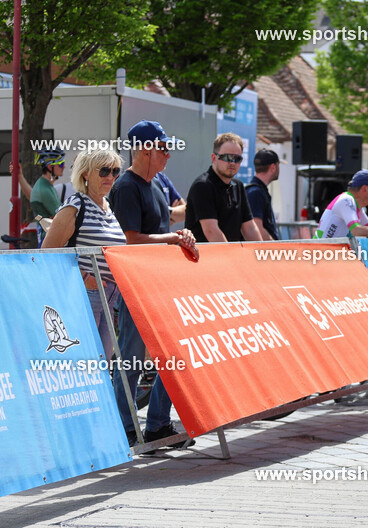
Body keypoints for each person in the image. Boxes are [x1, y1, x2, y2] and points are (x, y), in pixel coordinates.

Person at [109, 119, 198, 448]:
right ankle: (124, 428)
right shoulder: (126, 187)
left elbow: (168, 222)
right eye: (163, 148)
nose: (168, 155)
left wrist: (181, 234)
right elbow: (131, 240)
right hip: (135, 287)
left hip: (160, 286)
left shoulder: (157, 184)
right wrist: (174, 239)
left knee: (172, 357)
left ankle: (158, 425)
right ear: (144, 149)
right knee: (131, 360)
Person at [42, 149, 127, 361]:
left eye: (115, 171)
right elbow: (46, 254)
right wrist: (85, 278)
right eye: (104, 170)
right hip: (84, 296)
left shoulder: (108, 207)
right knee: (83, 364)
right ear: (86, 174)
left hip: (110, 298)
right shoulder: (75, 205)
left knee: (101, 364)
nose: (110, 177)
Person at [185, 132, 263, 243]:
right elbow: (211, 231)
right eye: (227, 157)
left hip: (229, 255)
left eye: (237, 159)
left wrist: (260, 253)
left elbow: (249, 228)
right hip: (204, 257)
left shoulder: (238, 186)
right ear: (213, 158)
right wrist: (230, 259)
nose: (232, 162)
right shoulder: (203, 185)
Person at [246, 148, 282, 240]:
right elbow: (256, 228)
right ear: (273, 167)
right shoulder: (255, 192)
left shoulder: (257, 190)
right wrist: (274, 249)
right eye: (278, 165)